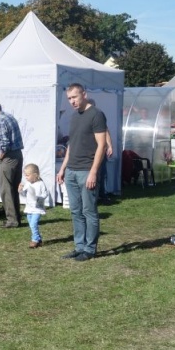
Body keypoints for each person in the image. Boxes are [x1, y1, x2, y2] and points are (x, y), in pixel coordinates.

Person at [57, 83, 107, 261]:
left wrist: (94, 171)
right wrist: (63, 168)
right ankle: (79, 247)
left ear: (84, 94)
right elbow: (71, 145)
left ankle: (90, 249)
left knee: (89, 211)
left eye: (75, 97)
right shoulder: (74, 116)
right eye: (69, 98)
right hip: (71, 171)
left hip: (86, 170)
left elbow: (102, 145)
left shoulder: (96, 115)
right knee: (75, 211)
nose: (72, 101)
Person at [0, 99, 24, 228]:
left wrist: (0, 157)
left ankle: (11, 220)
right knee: (13, 187)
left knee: (6, 189)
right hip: (18, 154)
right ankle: (16, 217)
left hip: (8, 157)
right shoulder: (9, 116)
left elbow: (5, 143)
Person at [18, 163, 51, 248]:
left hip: (37, 208)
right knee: (31, 224)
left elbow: (45, 194)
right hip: (29, 208)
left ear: (35, 175)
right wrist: (20, 190)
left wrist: (39, 198)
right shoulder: (28, 183)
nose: (26, 177)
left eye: (28, 175)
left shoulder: (41, 184)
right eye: (25, 175)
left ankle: (35, 240)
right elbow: (24, 194)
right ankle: (39, 239)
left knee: (33, 224)